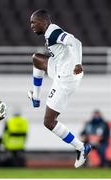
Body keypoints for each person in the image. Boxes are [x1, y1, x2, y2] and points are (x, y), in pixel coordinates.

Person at [28, 9, 91, 168]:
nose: (32, 26)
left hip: (66, 79)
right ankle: (36, 98)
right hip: (60, 67)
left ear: (43, 21)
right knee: (37, 59)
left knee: (49, 122)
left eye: (33, 22)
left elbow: (76, 42)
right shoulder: (51, 32)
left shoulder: (53, 32)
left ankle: (81, 147)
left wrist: (77, 63)